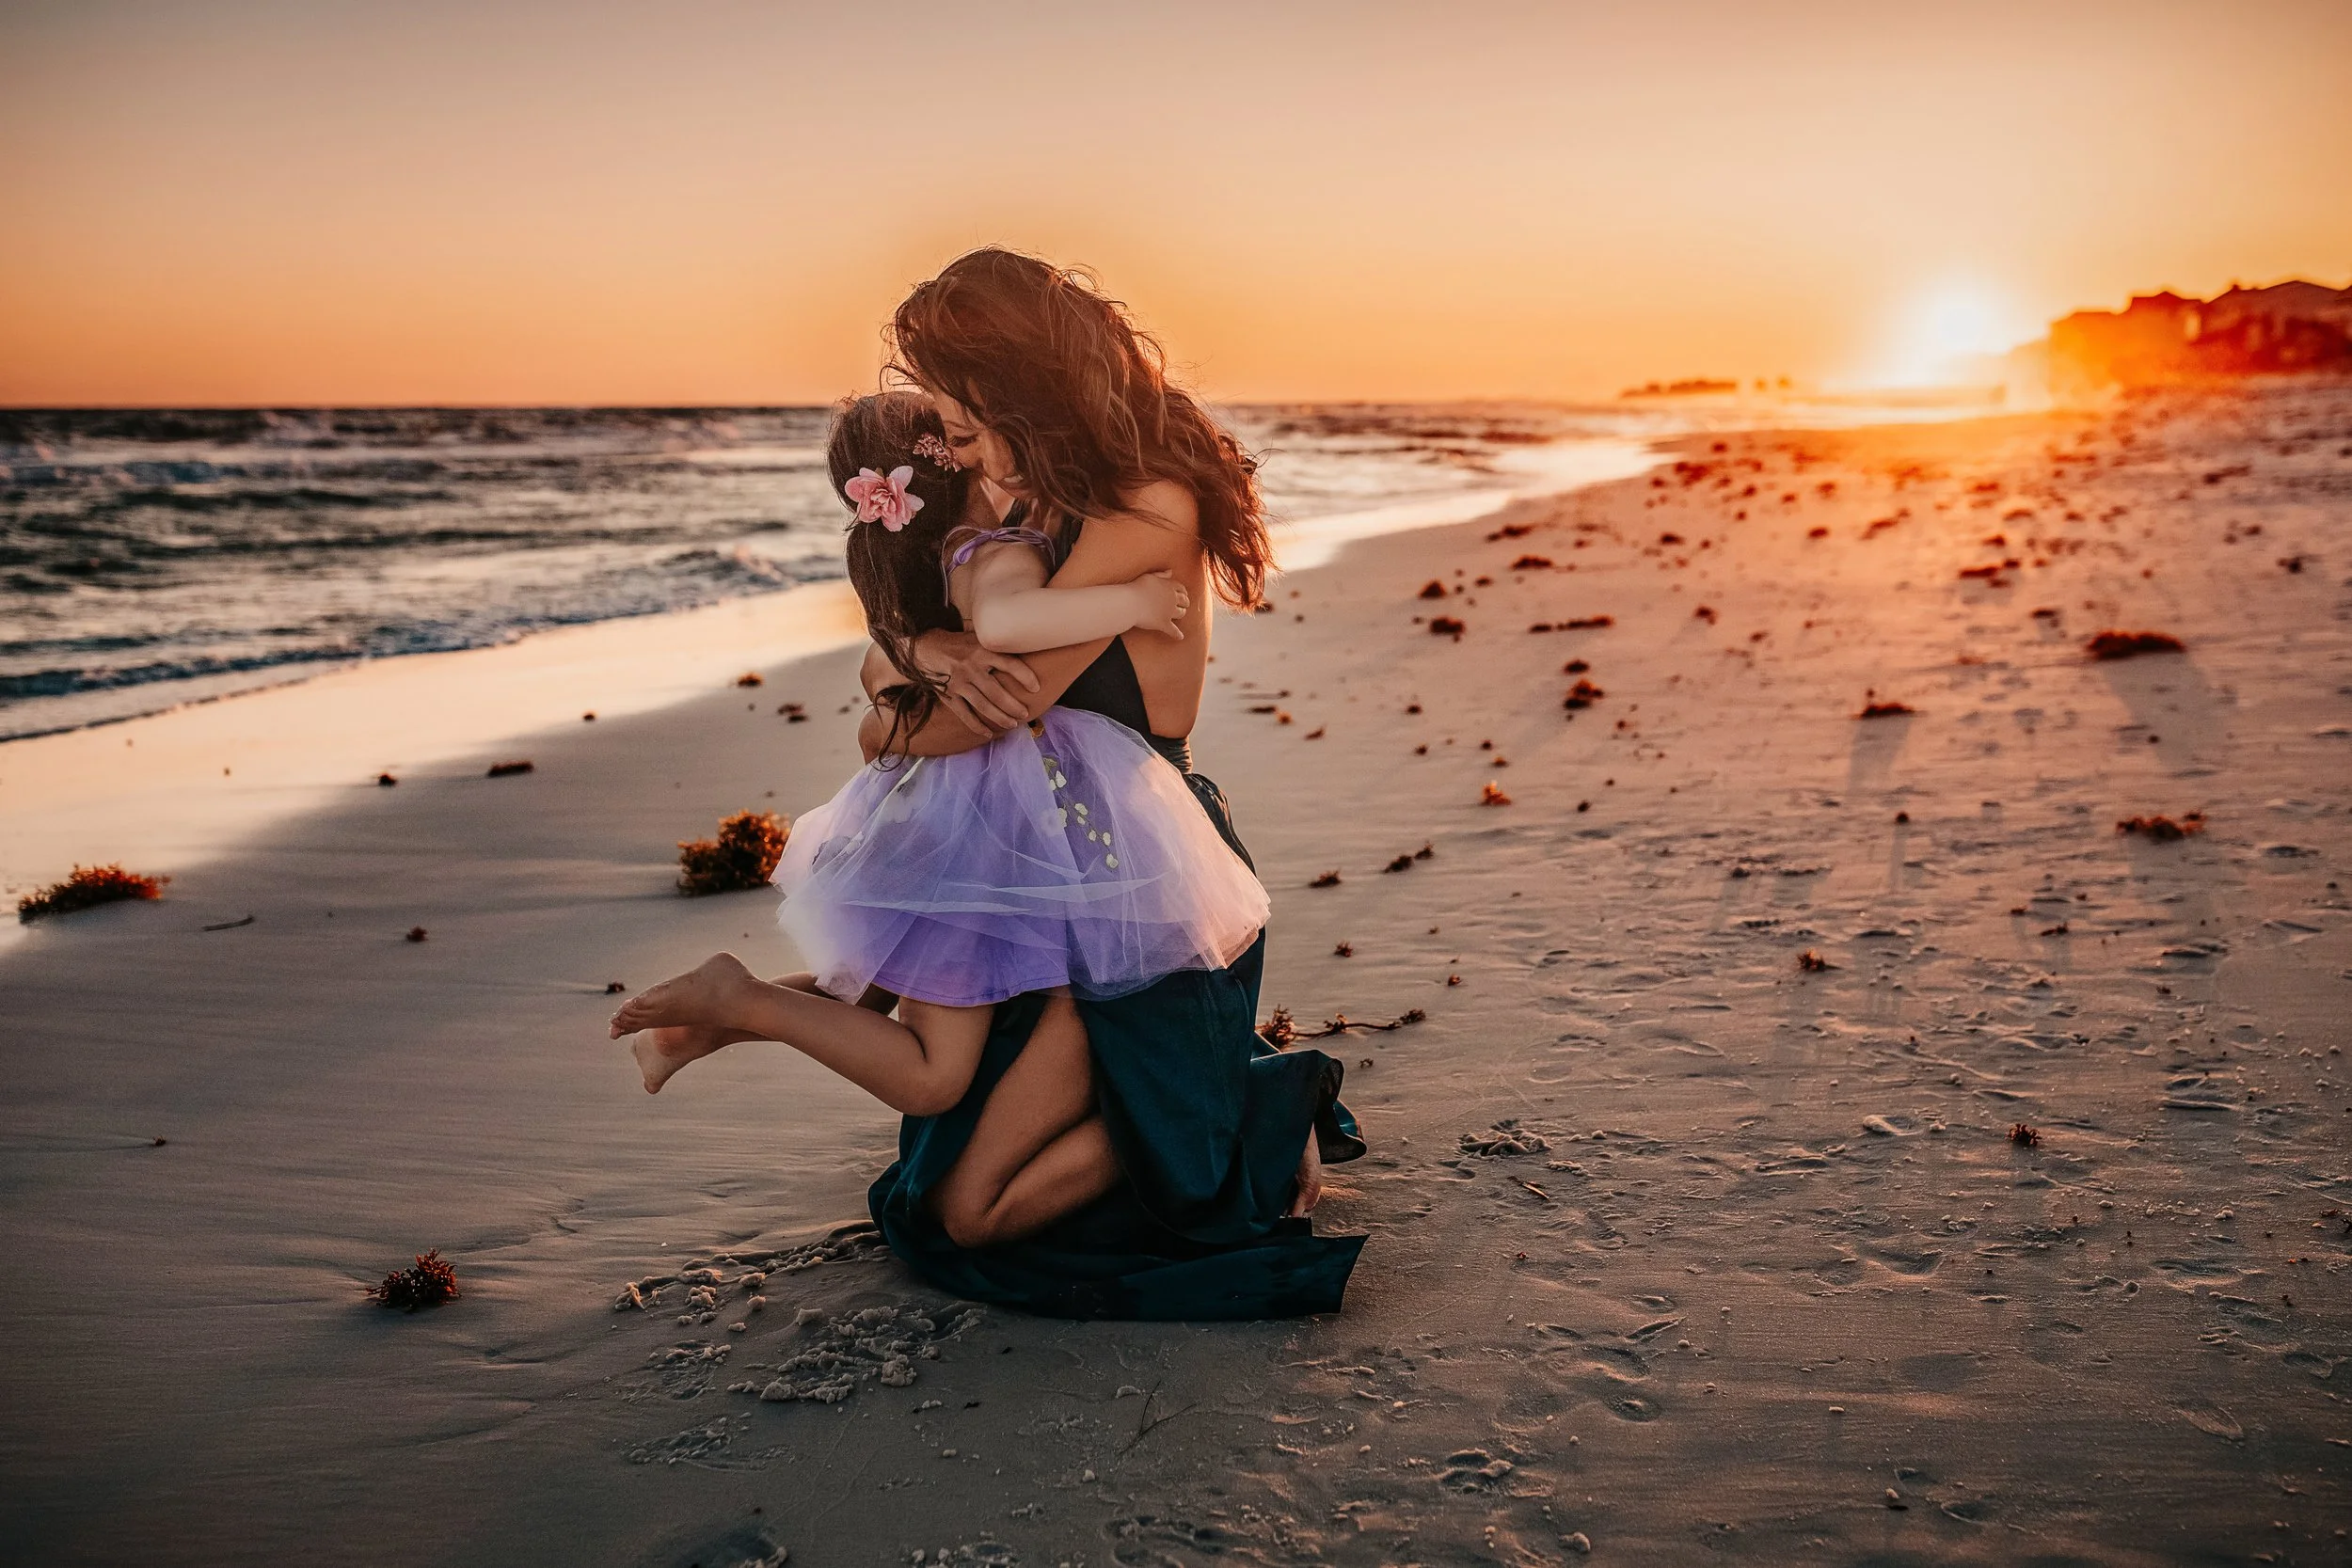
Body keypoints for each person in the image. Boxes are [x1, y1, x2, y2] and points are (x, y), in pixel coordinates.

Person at [611, 391, 1269, 1134]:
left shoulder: (933, 564)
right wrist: (1133, 602)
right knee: (932, 1073)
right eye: (963, 439)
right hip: (994, 818)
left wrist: (903, 671)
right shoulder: (999, 550)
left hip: (940, 809)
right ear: (953, 466)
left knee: (872, 980)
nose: (984, 450)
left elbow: (894, 673)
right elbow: (1007, 626)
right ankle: (738, 999)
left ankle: (705, 1024)